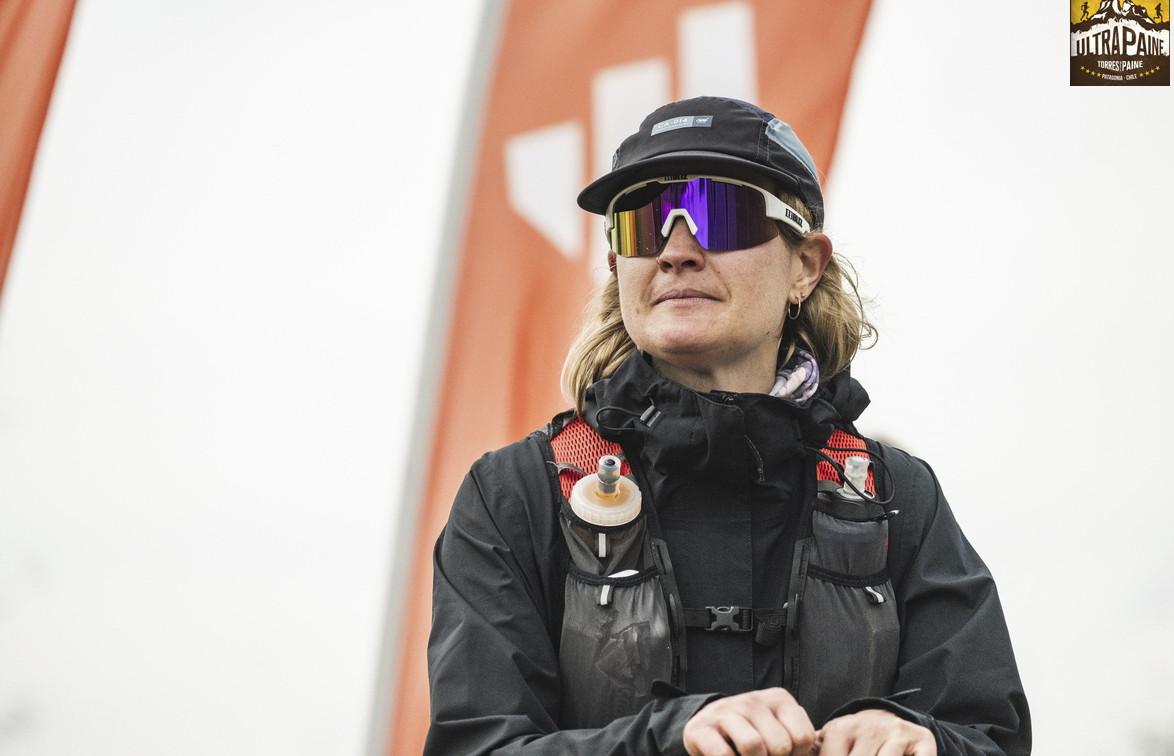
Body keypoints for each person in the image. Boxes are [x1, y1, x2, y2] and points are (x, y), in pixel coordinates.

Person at [424, 96, 1031, 756]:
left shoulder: (898, 500)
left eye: (719, 213)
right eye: (642, 222)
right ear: (617, 266)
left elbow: (990, 739)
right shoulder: (514, 497)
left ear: (806, 265)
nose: (675, 250)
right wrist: (668, 741)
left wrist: (926, 745)